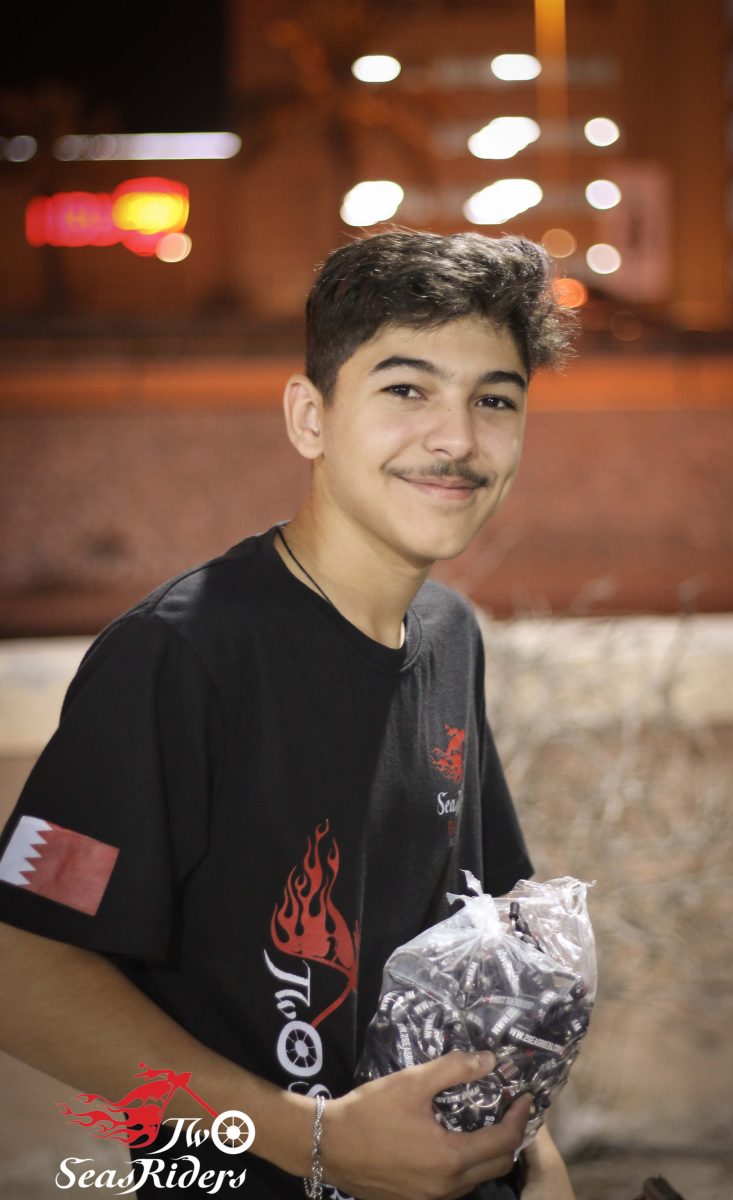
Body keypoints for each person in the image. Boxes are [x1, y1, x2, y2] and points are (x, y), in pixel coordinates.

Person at [0, 230, 576, 1200]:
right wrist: (313, 1138)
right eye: (406, 389)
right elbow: (19, 963)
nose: (456, 439)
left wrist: (533, 1152)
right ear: (310, 418)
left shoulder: (447, 634)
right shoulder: (181, 656)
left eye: (494, 399)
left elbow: (479, 933)